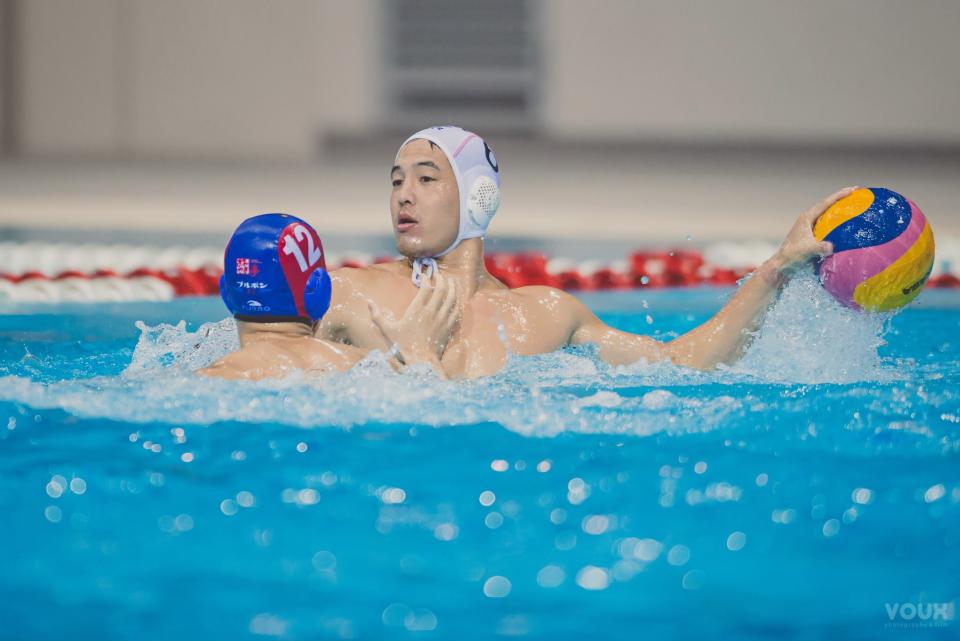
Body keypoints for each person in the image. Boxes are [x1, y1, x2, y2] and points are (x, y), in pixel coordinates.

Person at [316, 125, 858, 379]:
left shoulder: (546, 314)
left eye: (426, 178)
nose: (403, 195)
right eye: (396, 181)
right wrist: (407, 364)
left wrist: (775, 270)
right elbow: (254, 366)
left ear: (479, 196)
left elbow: (680, 365)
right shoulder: (351, 293)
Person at [199, 213, 457, 380]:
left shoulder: (213, 377)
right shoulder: (368, 368)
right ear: (320, 292)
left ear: (226, 293)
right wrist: (422, 356)